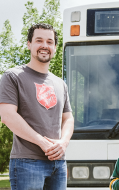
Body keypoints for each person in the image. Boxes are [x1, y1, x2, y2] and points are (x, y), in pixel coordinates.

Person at [0, 23, 74, 189]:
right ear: (29, 44)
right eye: (39, 40)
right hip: (27, 162)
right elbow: (7, 116)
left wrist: (63, 143)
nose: (44, 46)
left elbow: (68, 118)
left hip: (58, 163)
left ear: (55, 47)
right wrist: (43, 143)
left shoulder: (60, 84)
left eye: (49, 42)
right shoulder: (13, 76)